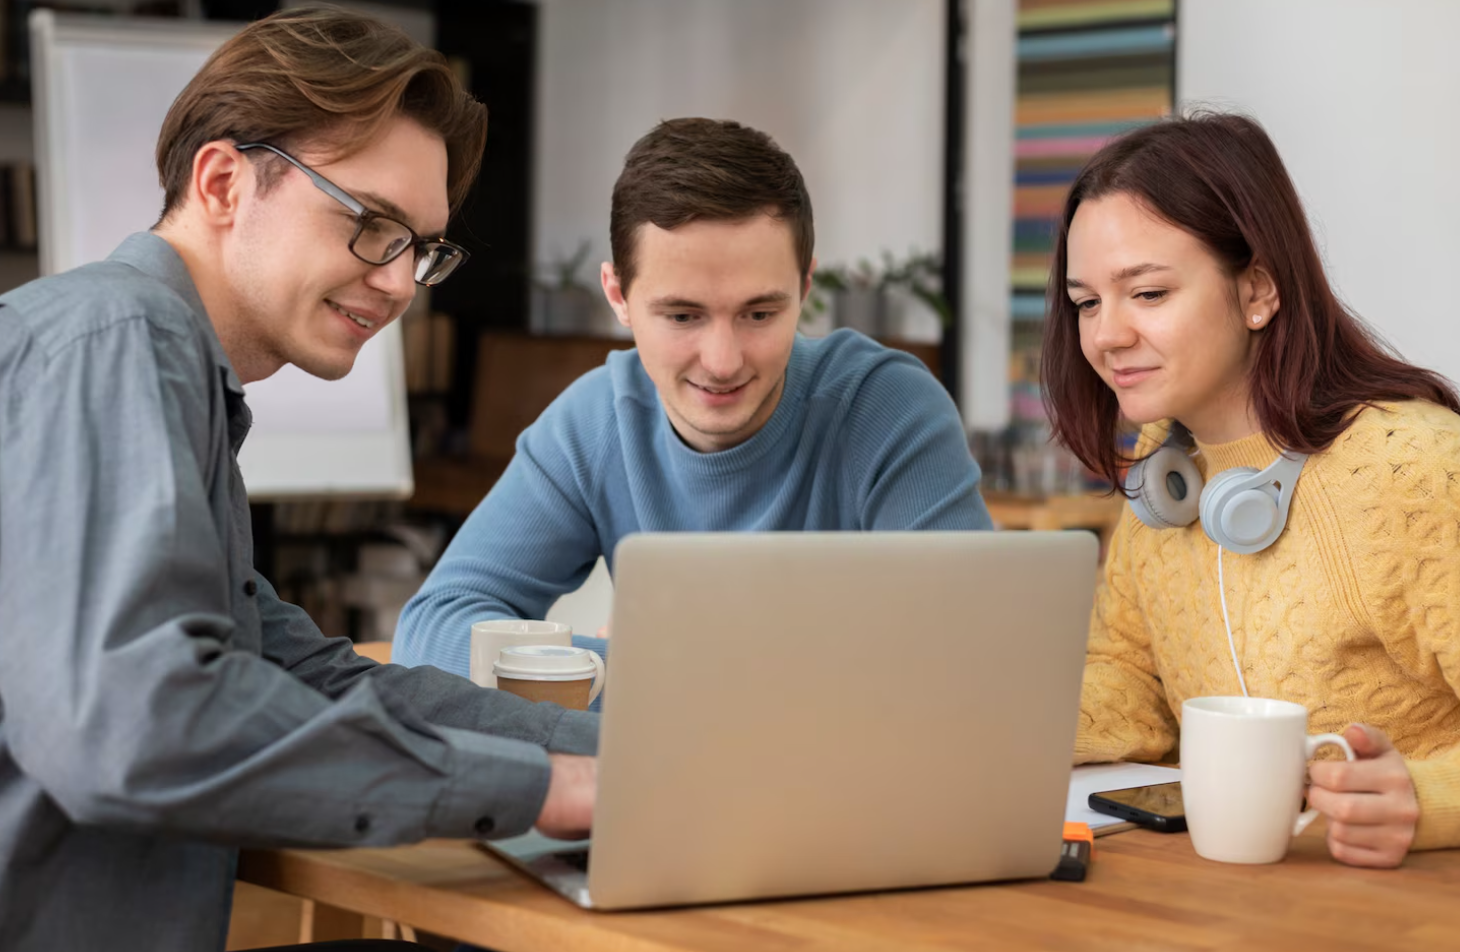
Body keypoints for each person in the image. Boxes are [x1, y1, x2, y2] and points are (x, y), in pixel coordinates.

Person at [0, 10, 597, 952]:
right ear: (226, 182)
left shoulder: (167, 372)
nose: (402, 284)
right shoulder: (122, 340)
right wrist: (547, 791)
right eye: (371, 225)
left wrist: (614, 754)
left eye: (421, 248)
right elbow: (137, 725)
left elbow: (309, 677)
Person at [394, 118, 992, 679]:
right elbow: (433, 630)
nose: (723, 361)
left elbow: (971, 646)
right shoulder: (595, 424)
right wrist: (622, 665)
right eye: (683, 315)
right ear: (618, 296)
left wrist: (662, 666)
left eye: (760, 312)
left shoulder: (888, 408)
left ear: (805, 287)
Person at [1043, 111, 1460, 868]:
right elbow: (1130, 683)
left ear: (1258, 289)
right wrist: (987, 722)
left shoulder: (1411, 467)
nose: (1105, 335)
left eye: (1148, 293)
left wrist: (1428, 798)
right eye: (1087, 302)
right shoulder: (1165, 469)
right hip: (1239, 902)